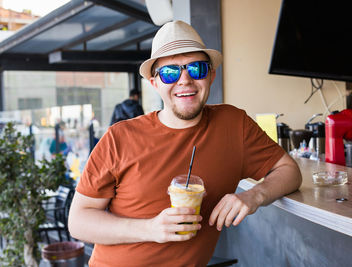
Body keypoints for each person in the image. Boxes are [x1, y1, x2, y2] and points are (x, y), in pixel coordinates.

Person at [68, 21, 302, 266]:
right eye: (170, 72)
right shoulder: (119, 138)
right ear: (155, 82)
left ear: (211, 74)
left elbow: (290, 171)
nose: (185, 80)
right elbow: (79, 222)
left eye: (197, 68)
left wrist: (255, 195)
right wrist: (151, 229)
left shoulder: (234, 125)